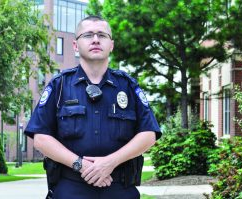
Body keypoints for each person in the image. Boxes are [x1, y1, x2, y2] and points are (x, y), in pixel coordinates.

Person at [24, 15, 161, 199]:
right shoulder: (59, 85)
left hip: (120, 188)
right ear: (75, 45)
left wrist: (110, 163)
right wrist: (81, 165)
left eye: (102, 35)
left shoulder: (128, 86)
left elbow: (149, 134)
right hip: (70, 189)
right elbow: (40, 137)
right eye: (88, 35)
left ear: (111, 45)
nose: (96, 39)